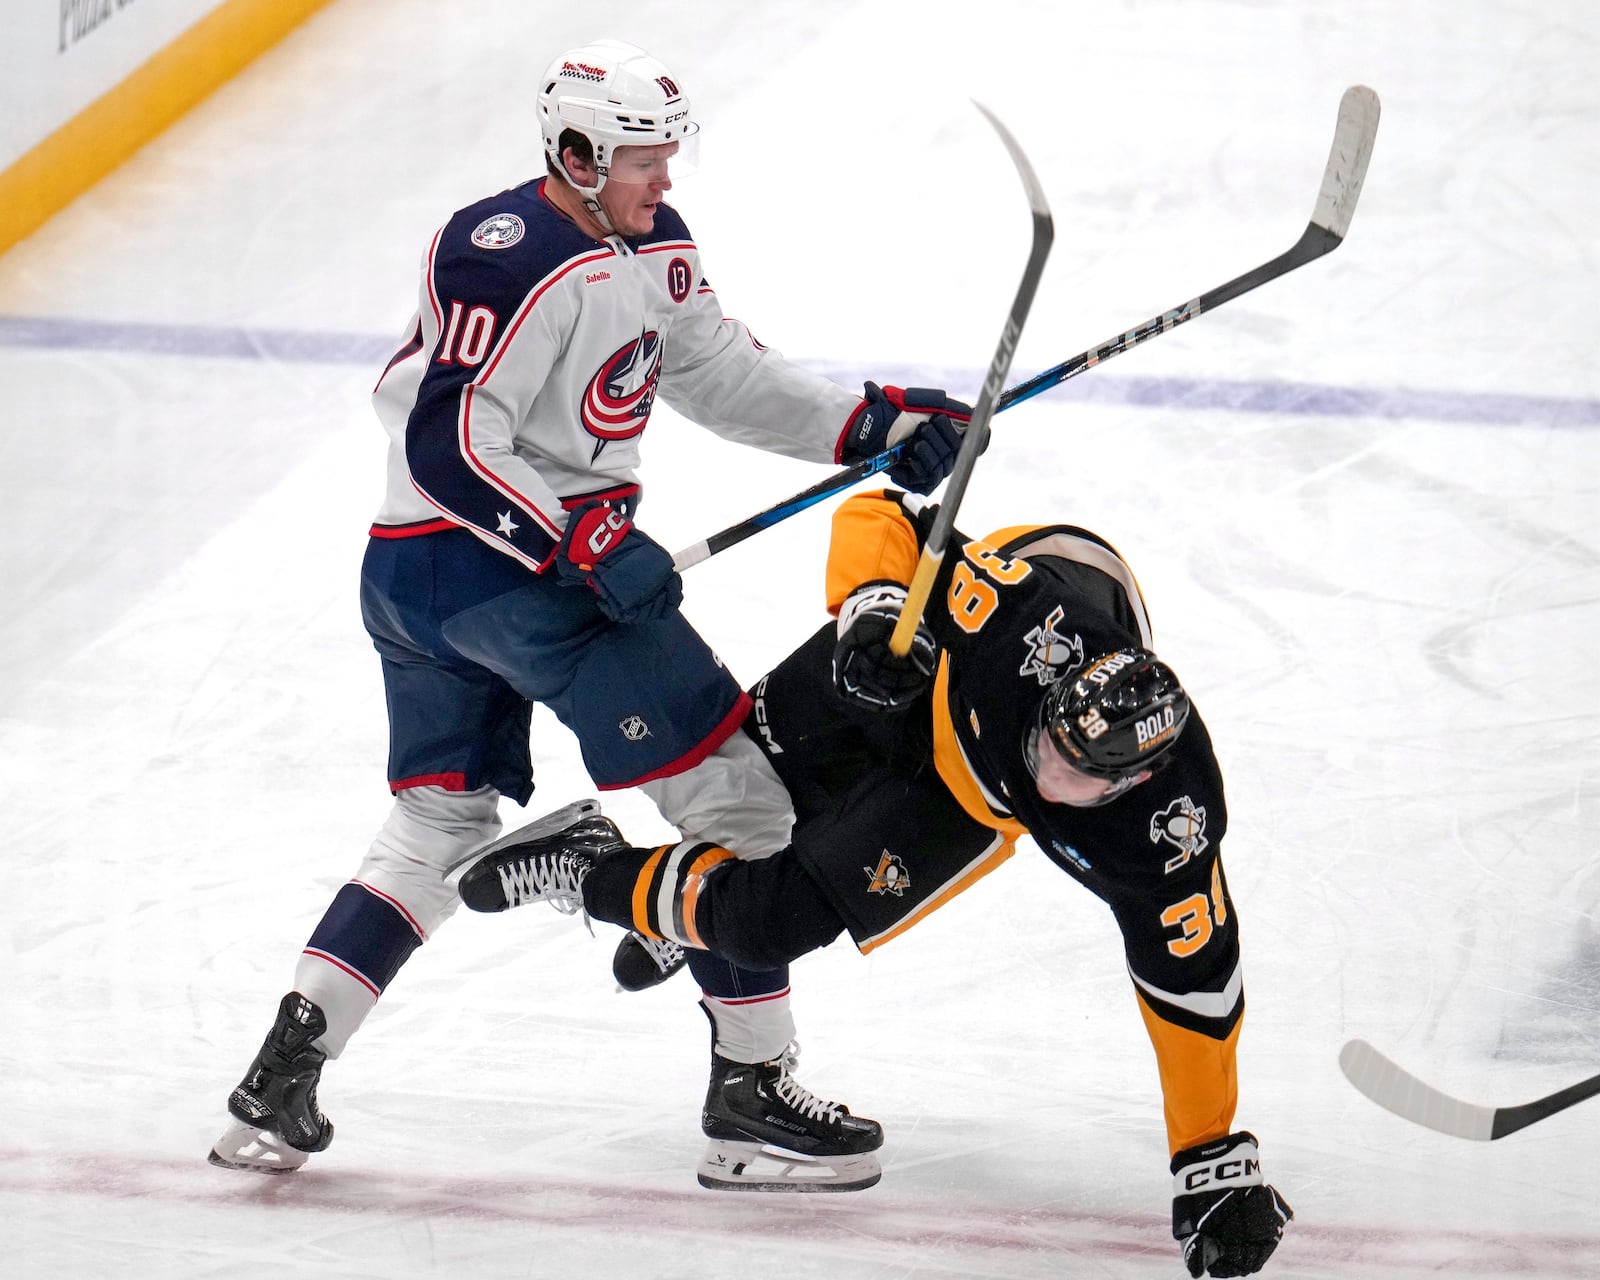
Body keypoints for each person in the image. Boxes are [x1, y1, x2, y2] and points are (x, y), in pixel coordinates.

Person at [207, 39, 973, 1191]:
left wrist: (867, 425)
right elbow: (449, 441)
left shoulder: (653, 247)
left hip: (429, 581)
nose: (662, 178)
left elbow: (719, 371)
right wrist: (578, 538)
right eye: (639, 161)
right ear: (572, 152)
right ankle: (749, 1095)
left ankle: (285, 1070)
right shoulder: (502, 252)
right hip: (509, 577)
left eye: (667, 154)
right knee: (742, 801)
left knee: (435, 826)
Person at [457, 488, 1295, 1276]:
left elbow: (1194, 990)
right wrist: (877, 607)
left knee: (764, 922)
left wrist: (1211, 1159)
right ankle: (687, 902)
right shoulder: (1021, 626)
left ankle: (592, 864)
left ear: (1128, 786)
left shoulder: (1164, 835)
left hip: (964, 799)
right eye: (1046, 741)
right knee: (749, 790)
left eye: (1072, 777)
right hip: (931, 668)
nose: (1046, 769)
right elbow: (881, 513)